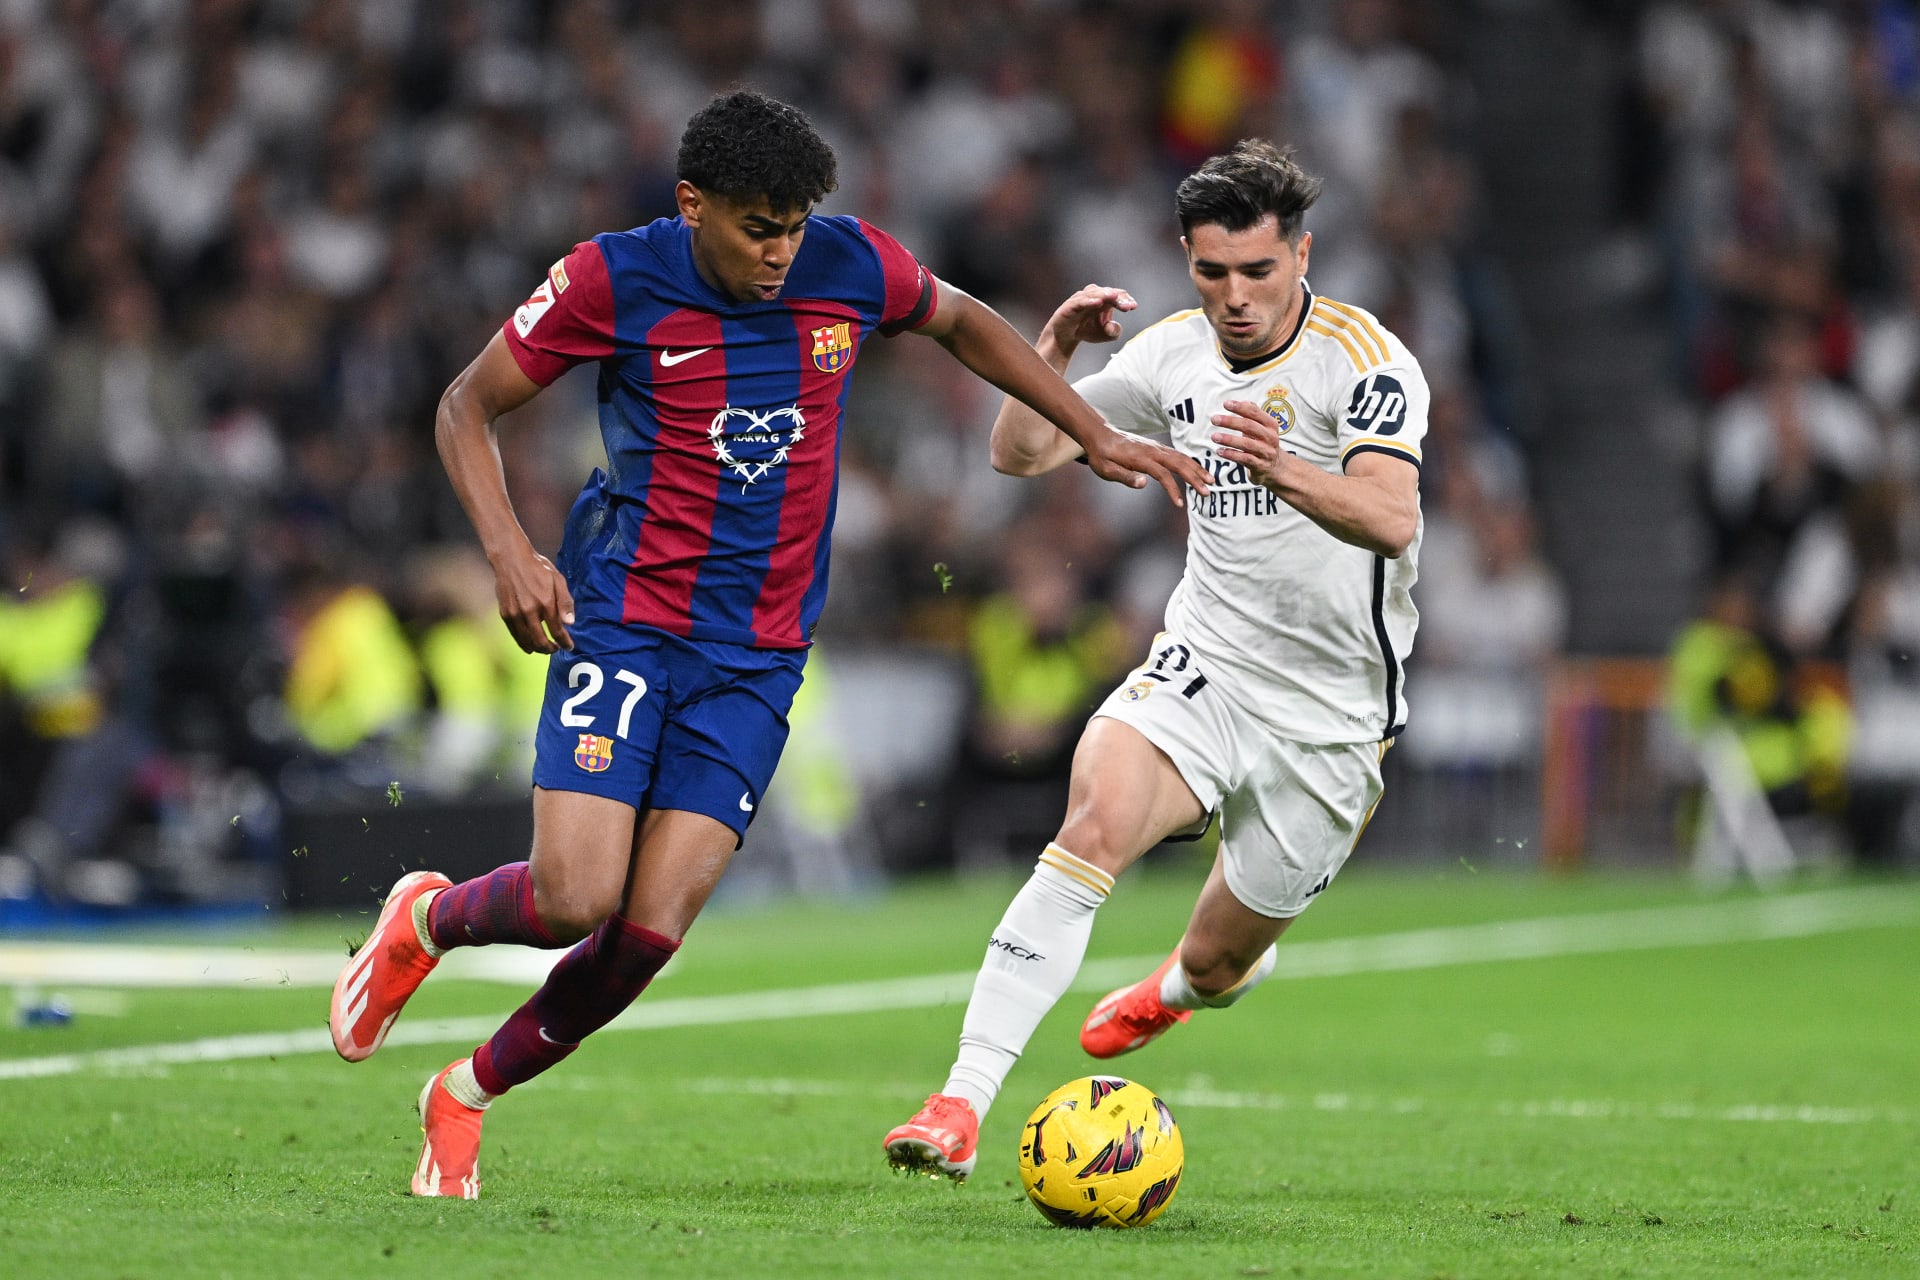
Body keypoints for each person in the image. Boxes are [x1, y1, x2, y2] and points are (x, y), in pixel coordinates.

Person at [325, 89, 1204, 1201]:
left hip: (758, 655)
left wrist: (1090, 430)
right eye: (757, 229)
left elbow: (962, 321)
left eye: (793, 228)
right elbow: (466, 405)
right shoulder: (612, 277)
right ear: (693, 203)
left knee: (648, 933)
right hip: (628, 621)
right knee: (573, 898)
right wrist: (507, 549)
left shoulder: (849, 262)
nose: (781, 252)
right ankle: (426, 917)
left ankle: (463, 1093)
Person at [882, 139, 1426, 1179]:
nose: (1235, 297)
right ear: (1187, 259)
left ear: (1302, 254)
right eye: (1213, 272)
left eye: (1258, 271)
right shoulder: (1171, 353)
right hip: (1205, 666)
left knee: (1221, 963)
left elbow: (1392, 518)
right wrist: (1052, 352)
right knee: (1090, 826)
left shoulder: (1365, 359)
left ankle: (1175, 987)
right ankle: (960, 1101)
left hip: (1332, 715)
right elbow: (1020, 453)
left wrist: (1287, 471)